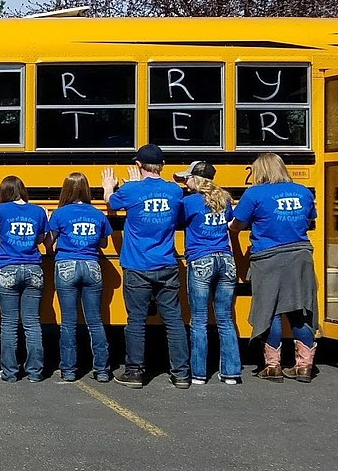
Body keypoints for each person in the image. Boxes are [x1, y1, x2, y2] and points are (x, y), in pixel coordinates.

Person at [103, 143, 190, 389]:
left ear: (138, 165)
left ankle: (135, 371)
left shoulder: (132, 191)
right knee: (173, 319)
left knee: (137, 320)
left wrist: (109, 188)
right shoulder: (174, 191)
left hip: (137, 265)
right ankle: (181, 373)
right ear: (162, 166)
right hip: (167, 263)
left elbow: (111, 203)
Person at [230, 152, 318, 383]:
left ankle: (272, 366)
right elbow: (310, 218)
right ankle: (304, 366)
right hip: (301, 256)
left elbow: (237, 225)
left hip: (269, 258)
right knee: (301, 310)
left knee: (271, 311)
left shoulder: (255, 194)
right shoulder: (303, 191)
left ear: (260, 171)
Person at [175, 161, 241, 385]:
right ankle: (231, 373)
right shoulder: (225, 200)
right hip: (226, 260)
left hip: (201, 259)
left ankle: (199, 374)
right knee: (225, 319)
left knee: (200, 320)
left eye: (188, 178)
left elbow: (177, 223)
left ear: (197, 179)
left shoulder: (189, 203)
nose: (185, 182)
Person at [48, 172, 113, 383]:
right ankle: (102, 370)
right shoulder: (97, 214)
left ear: (66, 190)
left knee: (69, 321)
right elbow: (103, 243)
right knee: (95, 320)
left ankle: (68, 369)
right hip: (92, 265)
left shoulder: (60, 214)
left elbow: (48, 244)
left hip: (66, 264)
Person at [0, 176, 49, 383]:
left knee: (9, 323)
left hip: (7, 268)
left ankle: (10, 372)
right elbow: (40, 239)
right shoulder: (38, 211)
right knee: (32, 323)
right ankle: (35, 371)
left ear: (3, 192)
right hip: (33, 268)